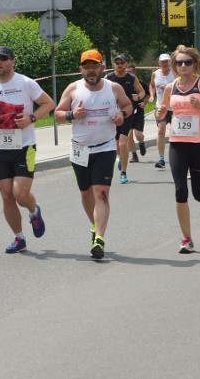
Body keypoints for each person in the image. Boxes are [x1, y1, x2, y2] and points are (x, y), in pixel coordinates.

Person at [56, 50, 132, 260]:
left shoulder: (113, 88)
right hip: (80, 149)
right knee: (85, 193)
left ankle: (99, 238)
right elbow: (57, 115)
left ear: (101, 68)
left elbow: (128, 105)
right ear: (81, 69)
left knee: (101, 193)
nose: (91, 70)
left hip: (105, 147)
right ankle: (94, 224)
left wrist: (121, 115)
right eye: (86, 66)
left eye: (94, 66)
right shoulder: (73, 89)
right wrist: (72, 114)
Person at [0, 46, 54, 253]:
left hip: (24, 146)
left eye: (3, 59)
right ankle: (19, 238)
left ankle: (33, 211)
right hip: (0, 148)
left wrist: (31, 118)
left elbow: (48, 103)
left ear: (12, 61)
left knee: (20, 195)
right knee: (6, 196)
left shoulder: (26, 83)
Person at [156, 46, 200, 253]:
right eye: (179, 62)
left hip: (199, 145)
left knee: (198, 192)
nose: (183, 66)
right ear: (174, 66)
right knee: (180, 191)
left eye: (187, 62)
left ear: (195, 64)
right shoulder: (171, 87)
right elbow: (162, 114)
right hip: (177, 144)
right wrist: (160, 113)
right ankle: (186, 238)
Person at [105, 54, 145, 183]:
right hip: (112, 115)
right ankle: (121, 159)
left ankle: (123, 172)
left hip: (127, 113)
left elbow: (142, 92)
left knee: (123, 143)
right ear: (114, 65)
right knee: (116, 146)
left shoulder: (132, 78)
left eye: (122, 63)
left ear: (126, 64)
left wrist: (138, 97)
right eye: (117, 63)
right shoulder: (109, 78)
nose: (119, 65)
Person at [150, 53, 175, 169]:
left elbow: (183, 87)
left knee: (175, 132)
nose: (165, 64)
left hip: (175, 107)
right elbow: (152, 85)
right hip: (161, 106)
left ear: (170, 62)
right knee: (161, 130)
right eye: (162, 62)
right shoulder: (155, 74)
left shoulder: (175, 73)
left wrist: (170, 90)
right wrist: (151, 95)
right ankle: (161, 159)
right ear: (159, 63)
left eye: (166, 61)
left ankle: (177, 156)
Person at [125, 64, 148, 163]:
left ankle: (141, 142)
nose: (128, 74)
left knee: (138, 134)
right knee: (129, 135)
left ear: (134, 72)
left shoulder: (140, 83)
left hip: (138, 112)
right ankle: (134, 155)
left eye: (130, 72)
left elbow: (147, 95)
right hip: (128, 112)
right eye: (127, 72)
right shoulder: (124, 84)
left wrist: (144, 102)